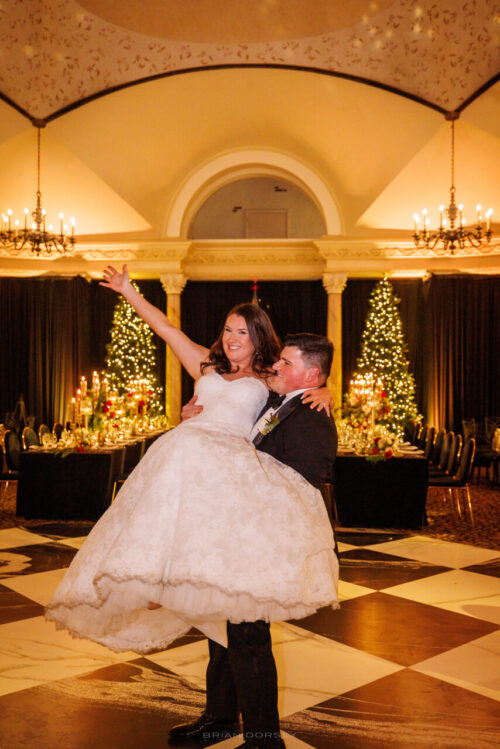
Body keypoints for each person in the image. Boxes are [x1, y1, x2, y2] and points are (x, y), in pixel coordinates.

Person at [46, 265, 339, 749]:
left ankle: (257, 734)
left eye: (241, 332)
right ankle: (220, 718)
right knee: (220, 614)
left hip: (236, 493)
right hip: (192, 476)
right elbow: (165, 328)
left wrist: (324, 388)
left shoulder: (270, 377)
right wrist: (128, 292)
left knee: (241, 621)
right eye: (226, 330)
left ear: (260, 339)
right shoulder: (206, 366)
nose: (230, 339)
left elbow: (301, 382)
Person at [172, 332, 338, 749]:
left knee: (249, 637)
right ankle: (221, 718)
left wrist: (327, 393)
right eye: (278, 361)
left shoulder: (313, 415)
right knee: (224, 629)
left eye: (286, 363)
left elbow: (303, 484)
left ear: (312, 374)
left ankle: (264, 739)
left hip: (266, 540)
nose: (276, 368)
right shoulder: (279, 403)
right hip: (241, 534)